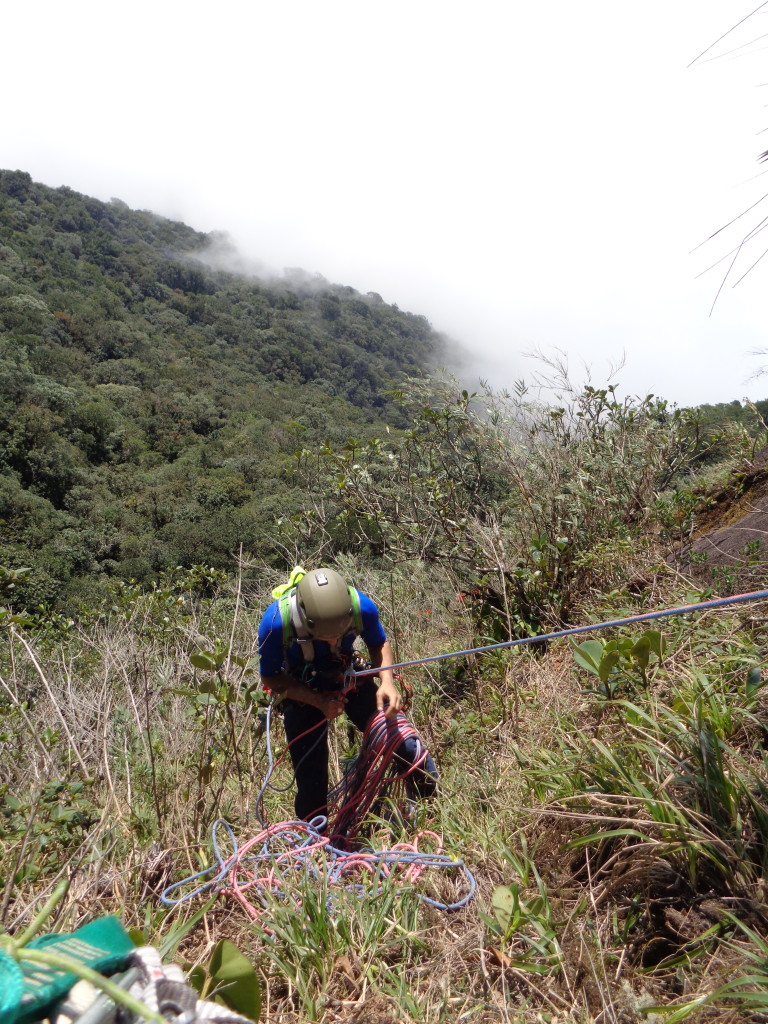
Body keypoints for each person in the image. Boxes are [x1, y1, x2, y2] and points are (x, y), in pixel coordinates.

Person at [258, 566, 437, 822]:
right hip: (301, 690)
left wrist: (386, 680)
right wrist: (318, 701)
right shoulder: (276, 623)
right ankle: (317, 841)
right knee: (311, 782)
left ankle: (429, 809)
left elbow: (378, 643)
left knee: (402, 743)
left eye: (338, 636)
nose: (332, 642)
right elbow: (270, 676)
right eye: (324, 636)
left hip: (347, 675)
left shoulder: (361, 607)